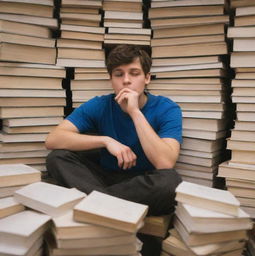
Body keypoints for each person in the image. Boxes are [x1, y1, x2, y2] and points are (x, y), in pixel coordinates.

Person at [45, 44, 183, 217]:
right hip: (102, 178)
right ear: (111, 79)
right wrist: (106, 140)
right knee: (57, 157)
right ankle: (104, 204)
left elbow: (165, 163)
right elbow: (53, 139)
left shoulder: (167, 108)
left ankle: (94, 204)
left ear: (147, 78)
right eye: (119, 74)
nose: (126, 80)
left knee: (170, 183)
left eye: (134, 73)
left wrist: (135, 112)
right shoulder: (100, 104)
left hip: (141, 183)